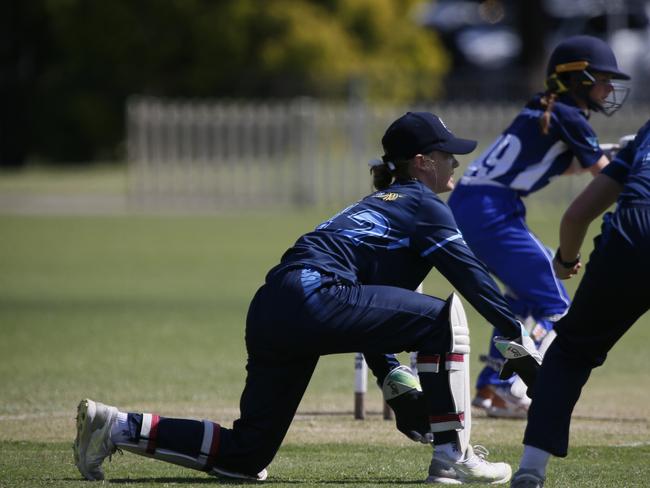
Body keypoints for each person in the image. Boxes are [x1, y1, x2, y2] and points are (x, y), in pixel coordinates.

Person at [73, 112, 542, 485]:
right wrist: (514, 337)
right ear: (421, 162)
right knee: (446, 318)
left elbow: (365, 312)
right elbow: (474, 278)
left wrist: (392, 377)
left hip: (273, 305)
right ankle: (453, 460)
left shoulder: (376, 204)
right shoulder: (425, 206)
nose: (455, 163)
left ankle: (117, 426)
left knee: (246, 457)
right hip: (315, 294)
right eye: (447, 154)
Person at [447, 35, 630, 418]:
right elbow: (602, 176)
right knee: (558, 305)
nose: (610, 88)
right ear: (577, 79)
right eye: (602, 78)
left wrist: (607, 154)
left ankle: (495, 387)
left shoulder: (543, 108)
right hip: (492, 209)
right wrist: (628, 162)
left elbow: (557, 163)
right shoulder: (570, 115)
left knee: (522, 301)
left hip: (475, 203)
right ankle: (523, 388)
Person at [510, 121, 649, 487]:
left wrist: (566, 260)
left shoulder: (647, 133)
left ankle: (531, 468)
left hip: (630, 236)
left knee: (570, 352)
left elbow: (576, 215)